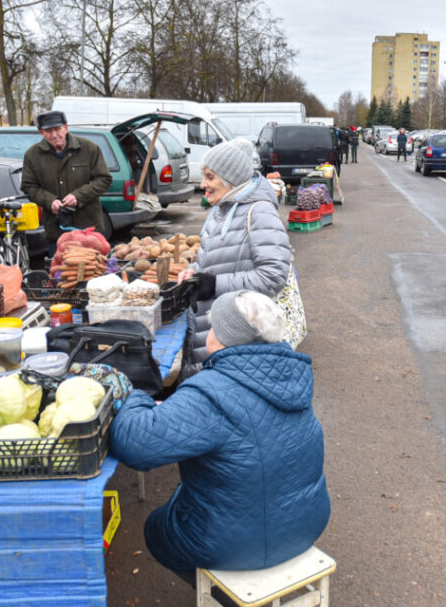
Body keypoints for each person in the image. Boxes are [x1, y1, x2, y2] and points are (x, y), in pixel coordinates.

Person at [110, 290, 330, 579]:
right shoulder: (291, 375)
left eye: (215, 325)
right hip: (306, 525)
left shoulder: (211, 390)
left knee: (157, 528)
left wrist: (134, 395)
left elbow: (133, 444)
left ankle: (221, 600)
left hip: (236, 544)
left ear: (225, 335)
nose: (209, 331)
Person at [175, 138, 293, 373]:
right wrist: (196, 273)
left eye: (210, 177)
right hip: (212, 327)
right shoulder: (222, 209)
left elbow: (273, 276)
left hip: (237, 337)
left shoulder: (259, 212)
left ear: (230, 180)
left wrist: (214, 284)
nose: (202, 185)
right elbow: (215, 259)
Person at [20, 110, 112, 246]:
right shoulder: (32, 156)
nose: (54, 135)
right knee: (60, 267)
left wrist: (78, 196)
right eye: (48, 131)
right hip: (56, 230)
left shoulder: (89, 149)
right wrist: (50, 201)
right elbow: (28, 186)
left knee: (92, 265)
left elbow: (104, 179)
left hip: (88, 228)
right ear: (41, 132)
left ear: (66, 128)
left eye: (58, 129)